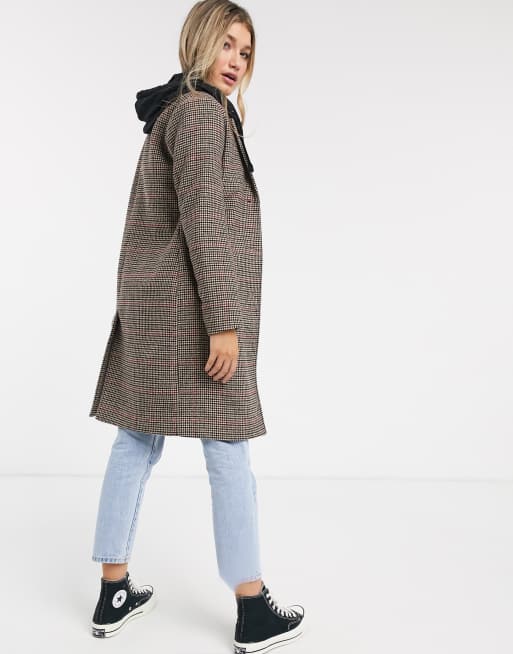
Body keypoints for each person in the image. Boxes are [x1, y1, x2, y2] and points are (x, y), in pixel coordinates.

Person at [88, 1, 305, 652]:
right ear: (200, 43)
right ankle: (251, 607)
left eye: (246, 51)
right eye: (227, 45)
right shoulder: (201, 116)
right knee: (229, 447)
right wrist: (224, 323)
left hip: (157, 311)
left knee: (136, 439)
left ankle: (113, 591)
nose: (236, 61)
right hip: (195, 315)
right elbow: (206, 222)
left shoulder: (178, 111)